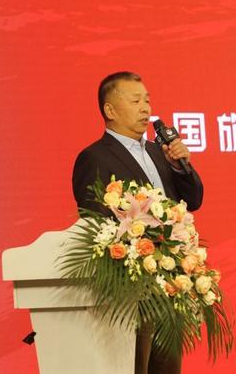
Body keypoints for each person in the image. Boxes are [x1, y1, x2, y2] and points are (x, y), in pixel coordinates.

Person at [71, 71, 204, 374]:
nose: (146, 108)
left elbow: (193, 199)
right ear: (110, 110)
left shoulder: (160, 152)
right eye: (135, 101)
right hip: (131, 292)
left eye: (147, 101)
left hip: (170, 286)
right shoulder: (94, 158)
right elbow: (95, 223)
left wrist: (181, 168)